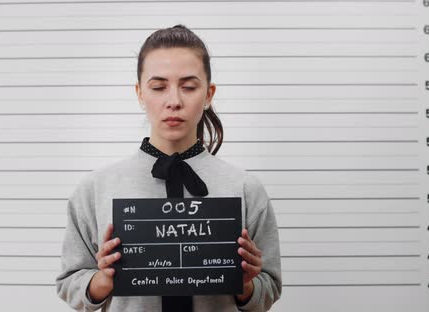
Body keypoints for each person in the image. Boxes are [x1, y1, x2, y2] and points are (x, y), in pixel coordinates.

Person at [56, 24, 282, 312]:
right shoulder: (95, 189)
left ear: (209, 94)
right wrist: (104, 279)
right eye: (158, 87)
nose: (174, 101)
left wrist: (247, 285)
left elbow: (270, 288)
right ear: (140, 93)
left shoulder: (245, 188)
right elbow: (69, 283)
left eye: (189, 86)